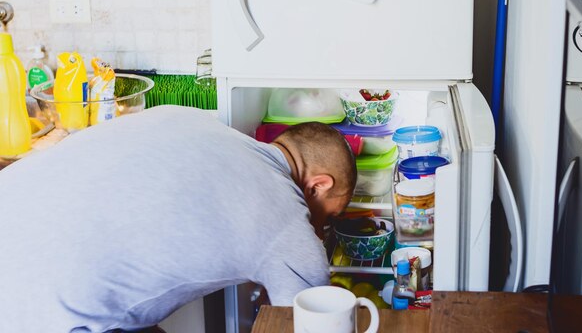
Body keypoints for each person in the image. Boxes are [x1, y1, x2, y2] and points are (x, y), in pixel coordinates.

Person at [0, 105, 356, 332]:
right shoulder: (287, 223)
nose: (321, 230)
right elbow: (316, 324)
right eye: (330, 216)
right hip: (47, 309)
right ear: (317, 185)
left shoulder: (187, 116)